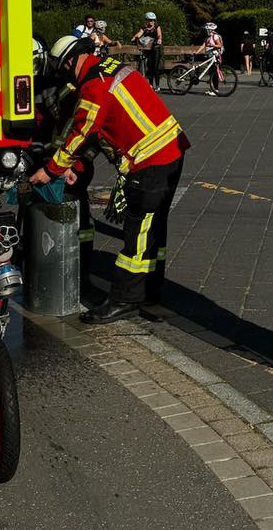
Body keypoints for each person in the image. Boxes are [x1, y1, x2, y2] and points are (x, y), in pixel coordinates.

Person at [28, 44, 189, 324]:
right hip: (169, 150)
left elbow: (83, 131)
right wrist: (77, 166)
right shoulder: (111, 69)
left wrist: (53, 169)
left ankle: (124, 299)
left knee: (138, 232)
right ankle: (149, 291)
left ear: (72, 60)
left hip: (150, 160)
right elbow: (104, 132)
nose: (67, 73)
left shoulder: (94, 86)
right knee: (153, 227)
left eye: (66, 66)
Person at [131, 11, 163, 90]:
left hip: (156, 49)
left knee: (155, 67)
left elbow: (159, 35)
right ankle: (151, 84)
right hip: (148, 49)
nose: (151, 22)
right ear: (146, 20)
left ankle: (158, 85)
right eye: (149, 20)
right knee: (149, 66)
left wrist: (159, 39)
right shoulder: (144, 28)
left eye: (153, 20)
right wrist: (134, 37)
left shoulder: (157, 27)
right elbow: (139, 34)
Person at [201, 21, 224, 95]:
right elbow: (203, 46)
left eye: (206, 30)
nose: (205, 31)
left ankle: (216, 90)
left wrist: (212, 45)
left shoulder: (215, 36)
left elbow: (220, 45)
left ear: (210, 30)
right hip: (209, 56)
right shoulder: (208, 37)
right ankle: (212, 90)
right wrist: (196, 52)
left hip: (215, 56)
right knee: (211, 73)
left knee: (214, 73)